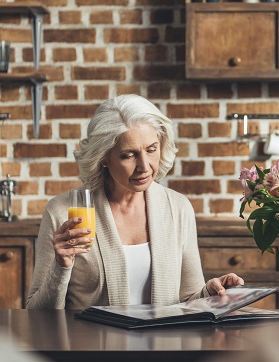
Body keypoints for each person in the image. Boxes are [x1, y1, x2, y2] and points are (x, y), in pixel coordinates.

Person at [27, 94, 243, 309]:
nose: (144, 166)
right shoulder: (62, 212)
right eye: (128, 155)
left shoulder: (178, 208)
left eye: (151, 150)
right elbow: (36, 313)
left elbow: (189, 301)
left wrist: (211, 292)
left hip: (163, 343)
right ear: (103, 157)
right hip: (91, 343)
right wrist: (61, 267)